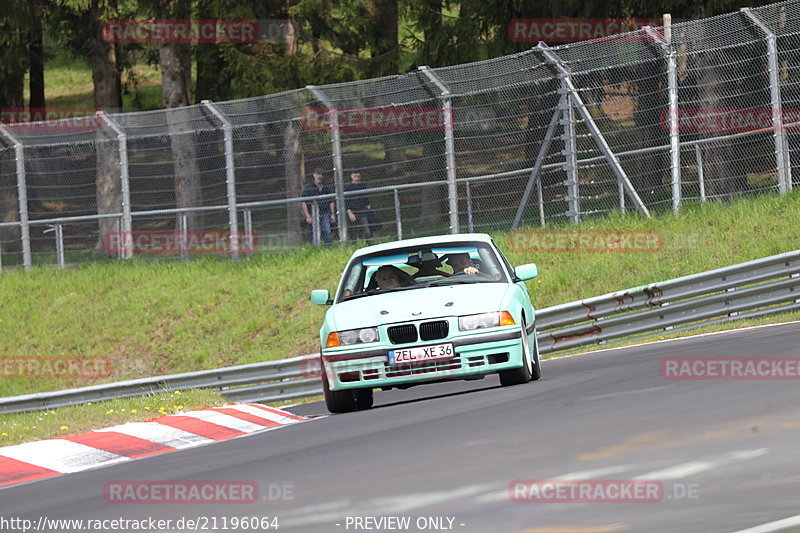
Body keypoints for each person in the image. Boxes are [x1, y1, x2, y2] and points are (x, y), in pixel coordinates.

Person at [301, 168, 336, 245]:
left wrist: (332, 214)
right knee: (313, 232)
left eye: (322, 174)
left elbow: (331, 201)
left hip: (325, 212)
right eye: (318, 174)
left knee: (327, 230)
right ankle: (314, 248)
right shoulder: (308, 187)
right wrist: (307, 216)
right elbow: (304, 202)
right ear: (314, 175)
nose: (320, 176)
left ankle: (329, 247)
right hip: (312, 213)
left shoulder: (326, 186)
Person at [344, 171, 372, 243]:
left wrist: (368, 206)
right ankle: (353, 244)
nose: (357, 178)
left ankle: (369, 243)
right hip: (352, 211)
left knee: (367, 229)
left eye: (358, 176)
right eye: (355, 176)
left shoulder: (362, 186)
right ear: (352, 176)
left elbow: (366, 198)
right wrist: (349, 212)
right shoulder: (348, 187)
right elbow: (345, 201)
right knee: (354, 231)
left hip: (362, 210)